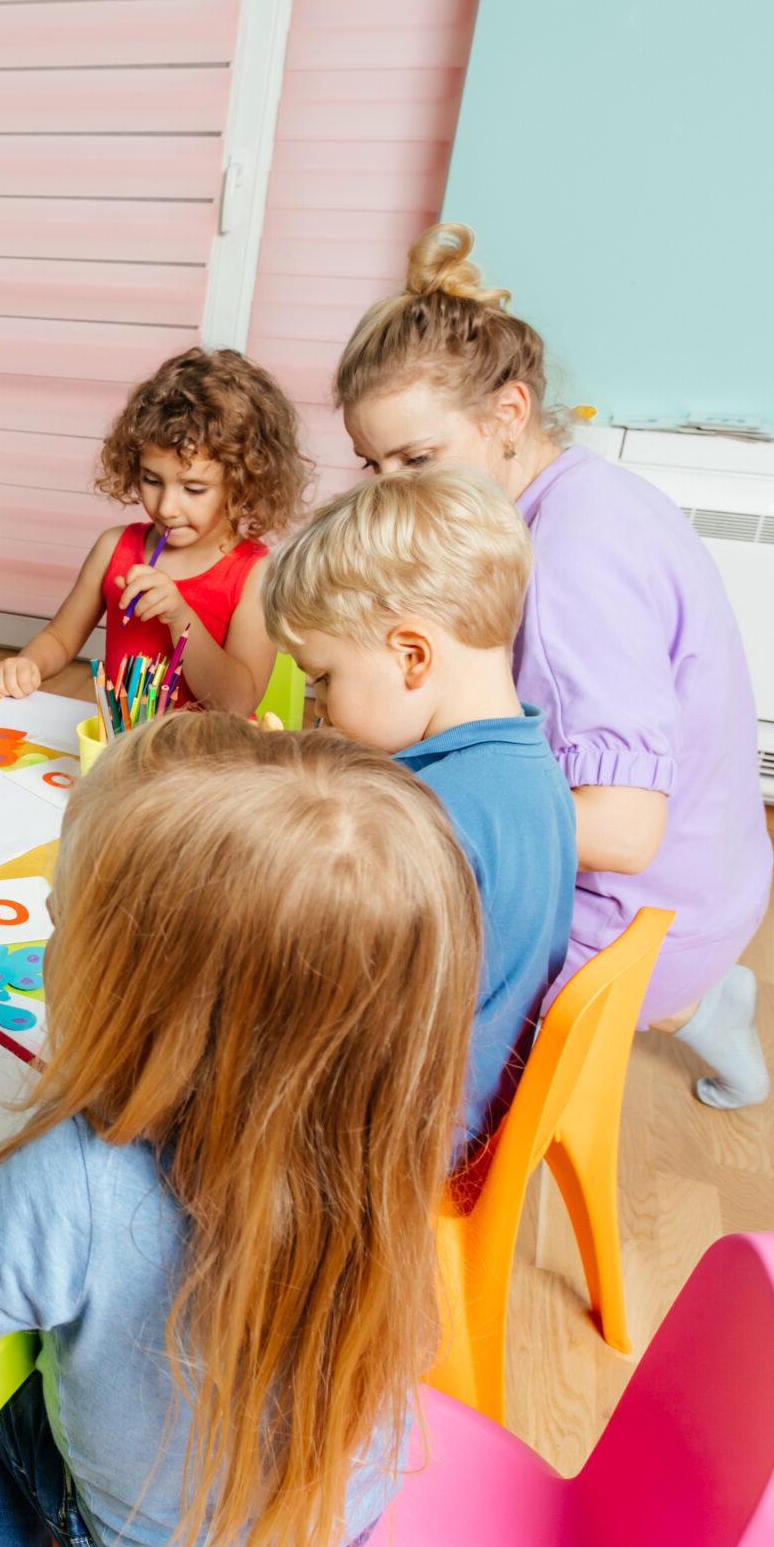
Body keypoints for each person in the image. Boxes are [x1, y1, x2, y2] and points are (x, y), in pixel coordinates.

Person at [0, 714, 479, 1547]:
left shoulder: (77, 1182)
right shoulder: (377, 1130)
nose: (52, 944)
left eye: (63, 923)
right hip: (339, 1520)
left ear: (155, 1000)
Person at [335, 223, 774, 1108]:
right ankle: (701, 999)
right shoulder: (574, 492)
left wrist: (404, 805)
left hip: (639, 917)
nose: (392, 490)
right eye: (372, 465)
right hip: (710, 880)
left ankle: (683, 993)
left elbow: (622, 831)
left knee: (346, 972)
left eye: (418, 460)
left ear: (508, 414)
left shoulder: (571, 556)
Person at [261, 466, 578, 1156]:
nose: (318, 709)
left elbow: (332, 1004)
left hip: (392, 1140)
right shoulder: (525, 763)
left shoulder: (432, 822)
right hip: (463, 1102)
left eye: (323, 679)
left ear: (411, 656)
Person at [0, 349, 308, 718]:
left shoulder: (254, 575)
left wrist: (180, 619)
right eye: (152, 481)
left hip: (210, 758)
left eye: (194, 489)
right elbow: (60, 637)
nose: (167, 507)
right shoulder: (114, 548)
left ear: (244, 484)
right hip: (125, 748)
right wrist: (28, 665)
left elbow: (235, 704)